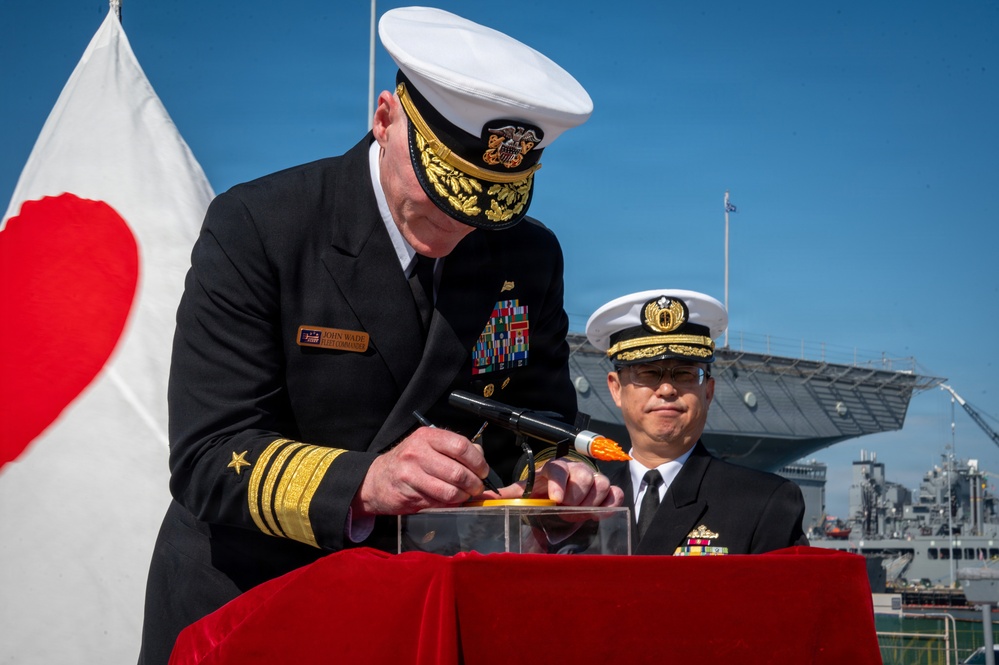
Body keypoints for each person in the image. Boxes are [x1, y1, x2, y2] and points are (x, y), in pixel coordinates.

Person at [137, 7, 622, 664]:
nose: (458, 223)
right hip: (252, 607)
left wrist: (555, 482)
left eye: (486, 206)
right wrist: (366, 480)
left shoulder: (527, 256)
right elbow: (207, 456)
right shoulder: (259, 226)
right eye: (445, 189)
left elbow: (536, 425)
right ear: (385, 119)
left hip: (416, 615)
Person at [585, 289, 808, 555]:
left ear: (708, 392)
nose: (667, 389)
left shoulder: (766, 502)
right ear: (615, 389)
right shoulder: (583, 503)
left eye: (685, 374)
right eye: (647, 373)